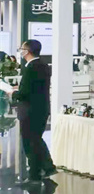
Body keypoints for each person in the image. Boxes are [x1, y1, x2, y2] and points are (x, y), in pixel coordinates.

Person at [13, 40, 56, 184]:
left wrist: (13, 93)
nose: (20, 51)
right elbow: (34, 88)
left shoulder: (31, 68)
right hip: (41, 109)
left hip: (30, 111)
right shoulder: (43, 65)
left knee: (30, 143)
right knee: (36, 140)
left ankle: (34, 176)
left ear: (27, 51)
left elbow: (25, 93)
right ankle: (47, 167)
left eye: (22, 48)